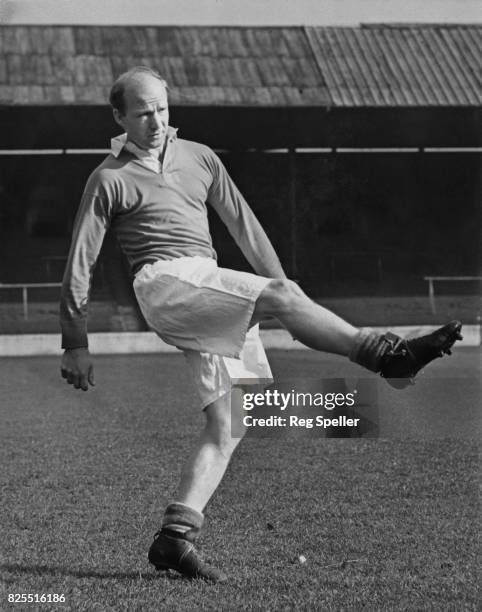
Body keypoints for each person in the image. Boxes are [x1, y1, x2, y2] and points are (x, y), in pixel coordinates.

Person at [59, 66, 462, 583]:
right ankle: (386, 355)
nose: (156, 121)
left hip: (208, 284)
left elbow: (244, 229)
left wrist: (288, 303)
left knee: (231, 420)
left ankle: (174, 538)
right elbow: (80, 261)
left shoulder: (200, 157)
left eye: (162, 108)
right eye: (142, 113)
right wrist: (75, 342)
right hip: (164, 282)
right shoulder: (108, 178)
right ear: (119, 117)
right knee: (279, 299)